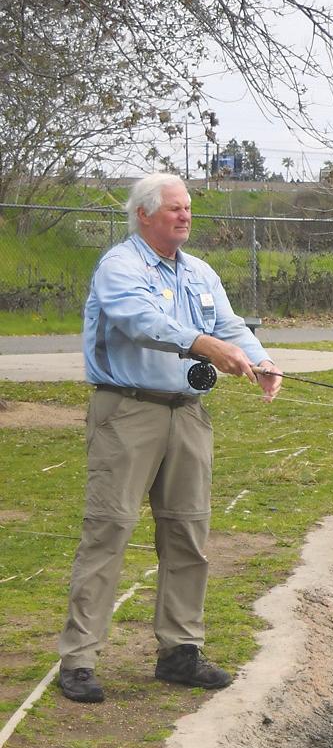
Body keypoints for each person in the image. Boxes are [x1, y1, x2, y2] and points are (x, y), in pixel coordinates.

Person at [57, 172, 282, 703]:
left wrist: (261, 360)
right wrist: (204, 344)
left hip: (188, 413)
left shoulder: (199, 272)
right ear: (144, 214)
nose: (185, 216)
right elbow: (141, 322)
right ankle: (80, 660)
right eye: (174, 208)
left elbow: (229, 325)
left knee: (187, 532)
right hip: (127, 411)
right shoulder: (120, 266)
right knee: (109, 531)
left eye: (187, 208)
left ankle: (180, 651)